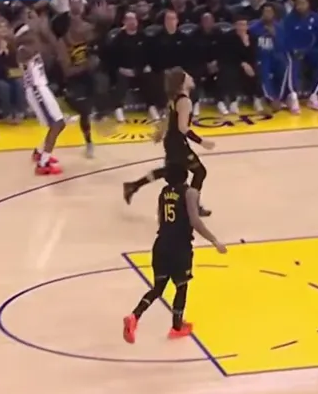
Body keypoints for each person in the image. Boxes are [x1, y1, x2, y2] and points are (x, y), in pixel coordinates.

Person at [122, 162, 227, 343]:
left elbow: (160, 218)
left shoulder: (163, 192)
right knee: (181, 286)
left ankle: (134, 316)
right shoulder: (190, 193)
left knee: (158, 288)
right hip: (180, 247)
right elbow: (195, 221)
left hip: (161, 244)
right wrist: (214, 240)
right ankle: (177, 327)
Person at [122, 68, 215, 215]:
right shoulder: (185, 101)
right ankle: (192, 207)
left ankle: (133, 186)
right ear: (182, 83)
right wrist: (202, 141)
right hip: (177, 143)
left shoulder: (175, 98)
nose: (191, 77)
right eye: (187, 76)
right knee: (199, 172)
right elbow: (183, 127)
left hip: (171, 142)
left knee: (172, 173)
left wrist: (160, 133)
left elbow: (167, 118)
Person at [18, 24, 67, 176]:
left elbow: (50, 46)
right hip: (36, 89)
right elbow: (43, 45)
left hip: (40, 87)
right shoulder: (23, 50)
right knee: (57, 124)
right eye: (30, 32)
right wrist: (38, 29)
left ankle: (40, 153)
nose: (34, 34)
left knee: (57, 124)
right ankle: (43, 164)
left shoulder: (32, 46)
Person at [57, 18, 99, 158]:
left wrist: (94, 61)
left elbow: (95, 58)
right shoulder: (62, 43)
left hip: (88, 79)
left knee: (86, 113)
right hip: (72, 81)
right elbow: (67, 71)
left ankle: (89, 141)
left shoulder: (88, 39)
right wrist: (86, 65)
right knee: (83, 111)